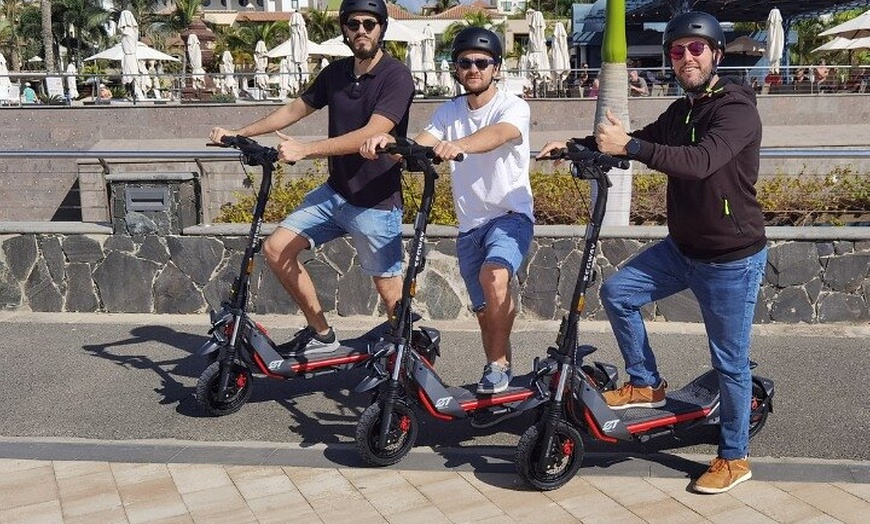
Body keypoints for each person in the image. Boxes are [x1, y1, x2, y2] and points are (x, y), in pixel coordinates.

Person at [538, 11, 767, 495]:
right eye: (678, 50)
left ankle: (735, 456)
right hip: (683, 249)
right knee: (618, 291)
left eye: (696, 49)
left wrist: (634, 145)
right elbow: (637, 144)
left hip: (731, 258)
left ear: (716, 55)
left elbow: (701, 162)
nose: (687, 57)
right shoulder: (681, 110)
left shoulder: (736, 108)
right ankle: (646, 381)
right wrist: (576, 146)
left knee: (730, 362)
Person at [209, 0, 415, 355]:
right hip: (336, 193)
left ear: (382, 28)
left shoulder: (396, 76)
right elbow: (294, 110)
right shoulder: (335, 74)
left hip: (376, 201)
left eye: (370, 24)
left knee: (388, 288)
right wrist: (239, 134)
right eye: (353, 24)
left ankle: (405, 359)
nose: (361, 31)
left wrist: (306, 150)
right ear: (344, 29)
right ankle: (322, 335)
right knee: (276, 249)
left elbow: (374, 130)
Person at [361, 27, 534, 395]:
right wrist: (389, 144)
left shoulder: (512, 105)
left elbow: (499, 135)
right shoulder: (449, 111)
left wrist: (457, 145)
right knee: (485, 311)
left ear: (496, 68)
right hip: (470, 225)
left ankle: (499, 365)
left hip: (510, 215)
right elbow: (420, 142)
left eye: (481, 62)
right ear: (456, 69)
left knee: (495, 276)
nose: (473, 68)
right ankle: (496, 369)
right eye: (464, 62)